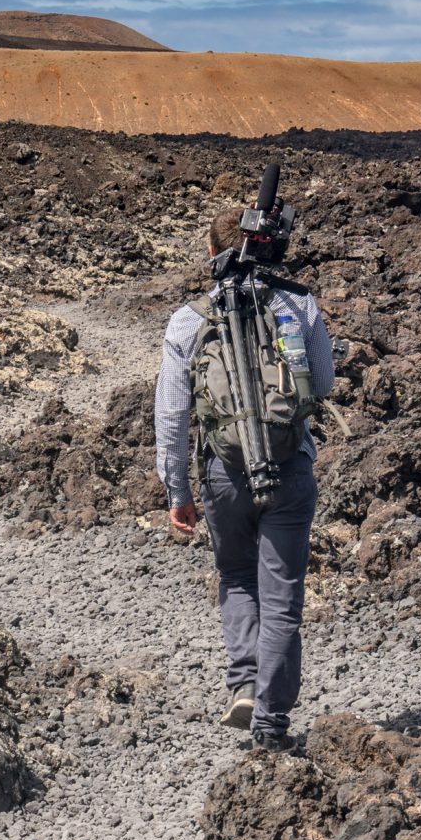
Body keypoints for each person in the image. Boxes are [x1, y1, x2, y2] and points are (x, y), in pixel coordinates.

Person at [154, 206, 335, 752]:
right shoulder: (297, 304)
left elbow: (172, 414)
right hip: (289, 466)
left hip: (223, 474)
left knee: (236, 575)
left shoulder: (188, 320)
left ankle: (244, 685)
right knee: (282, 599)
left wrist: (178, 490)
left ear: (212, 253)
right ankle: (272, 725)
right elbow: (323, 382)